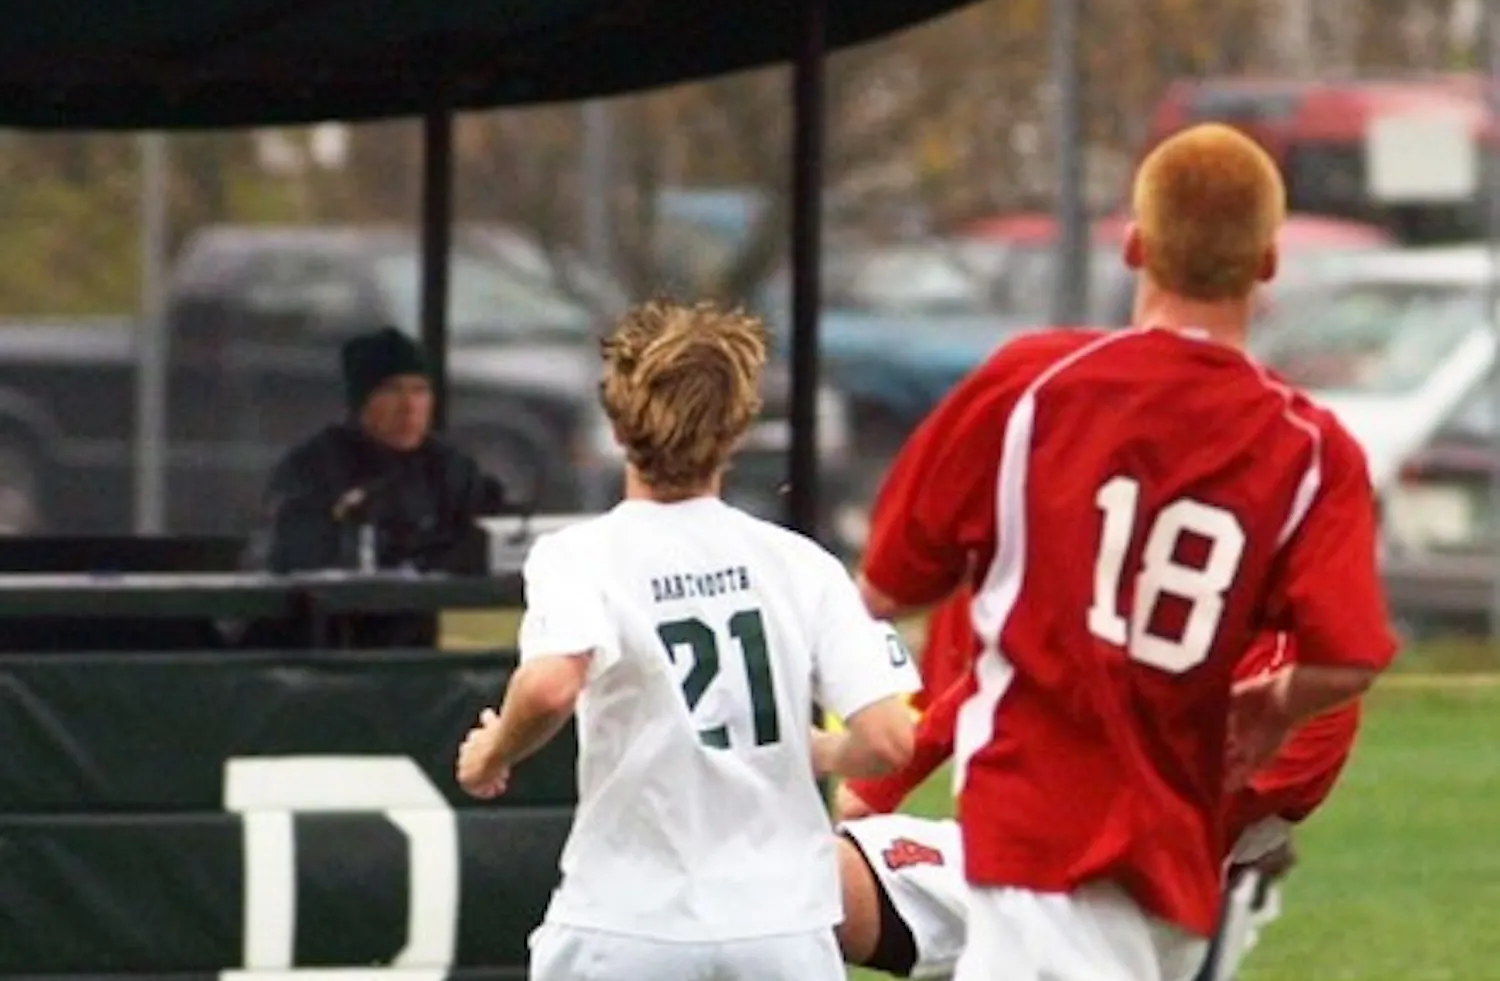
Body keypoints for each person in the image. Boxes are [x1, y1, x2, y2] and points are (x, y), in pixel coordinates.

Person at [858, 123, 1399, 981]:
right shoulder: (1315, 447)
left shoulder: (1031, 384)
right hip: (1174, 862)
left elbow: (887, 584)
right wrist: (1278, 702)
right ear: (1267, 263)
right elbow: (1350, 656)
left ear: (1137, 246)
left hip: (1039, 826)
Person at [453, 299, 916, 981]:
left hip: (627, 924)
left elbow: (552, 685)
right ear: (736, 430)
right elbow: (887, 740)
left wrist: (493, 750)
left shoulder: (581, 554)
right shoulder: (800, 563)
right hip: (781, 930)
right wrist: (821, 748)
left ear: (616, 423)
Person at [827, 629, 1364, 981]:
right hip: (1026, 864)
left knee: (798, 880)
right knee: (798, 879)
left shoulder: (1309, 693)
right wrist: (873, 791)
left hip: (1121, 905)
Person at [250, 326, 507, 646]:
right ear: (361, 400)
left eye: (420, 390)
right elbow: (293, 556)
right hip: (326, 649)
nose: (408, 406)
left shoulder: (448, 469)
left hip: (415, 655)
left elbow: (493, 535)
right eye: (391, 390)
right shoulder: (314, 468)